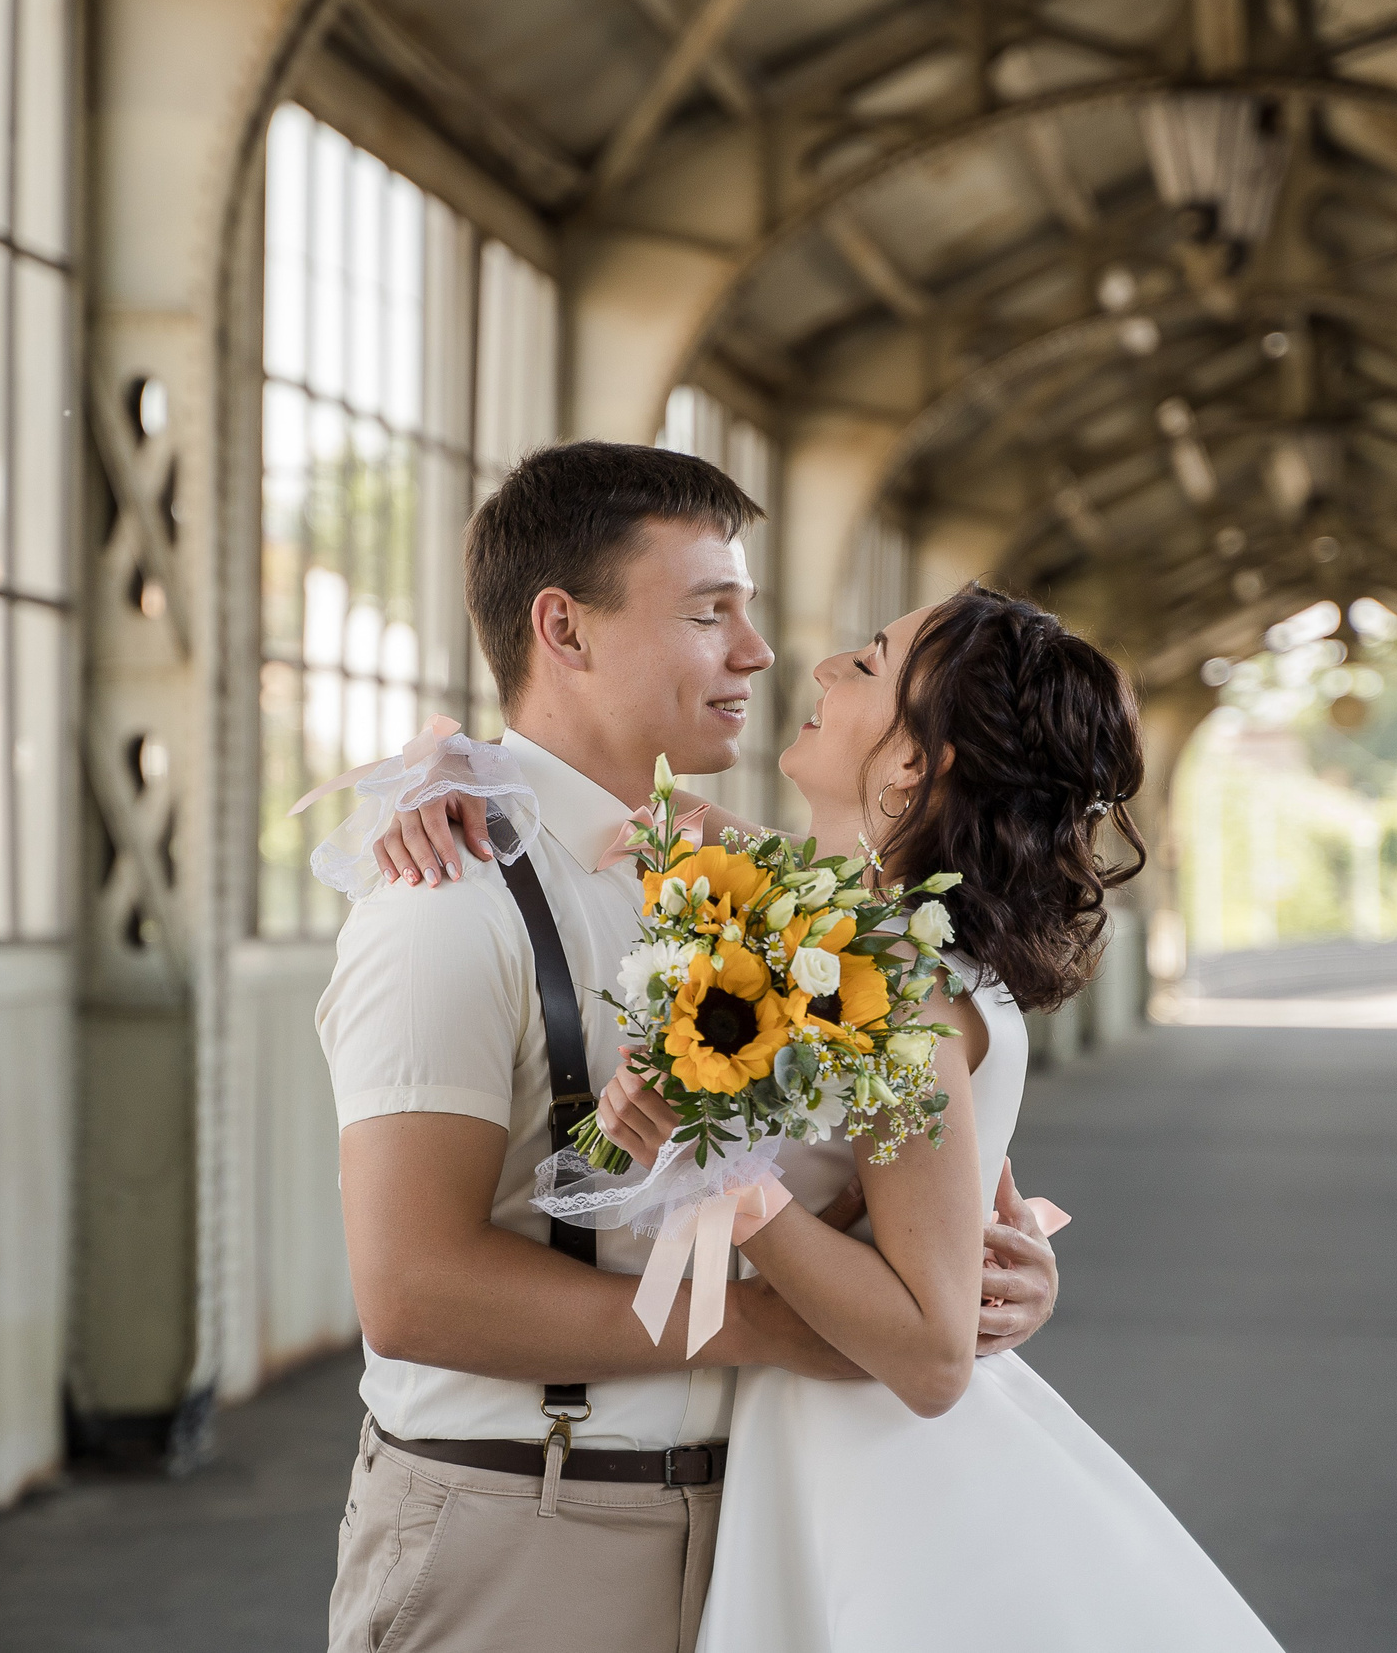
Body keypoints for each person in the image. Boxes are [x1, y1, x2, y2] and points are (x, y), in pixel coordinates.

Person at [377, 581, 1287, 1650]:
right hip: (790, 1445)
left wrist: (724, 1180)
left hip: (871, 1474)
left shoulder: (904, 989)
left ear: (914, 764)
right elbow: (612, 808)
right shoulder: (841, 918)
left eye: (866, 664)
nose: (816, 668)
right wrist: (444, 768)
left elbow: (932, 1354)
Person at [318, 442, 1060, 1653]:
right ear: (563, 628)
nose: (759, 654)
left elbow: (911, 1176)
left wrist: (984, 1278)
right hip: (536, 1523)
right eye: (710, 612)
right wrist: (774, 1326)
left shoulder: (750, 887)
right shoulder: (445, 899)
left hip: (765, 1530)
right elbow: (411, 1292)